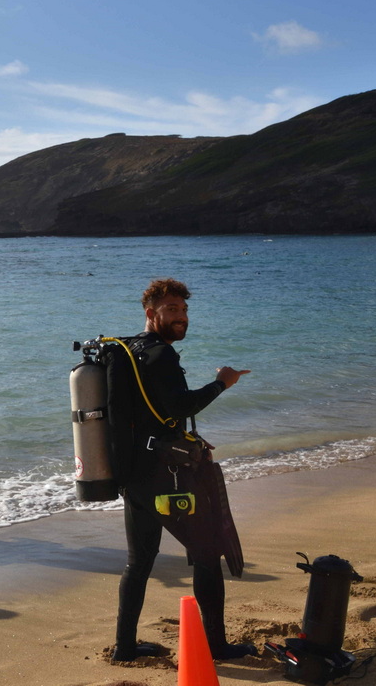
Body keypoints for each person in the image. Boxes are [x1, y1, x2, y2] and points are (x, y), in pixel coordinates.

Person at [111, 278, 255, 662]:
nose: (181, 317)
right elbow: (181, 407)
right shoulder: (161, 355)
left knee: (139, 562)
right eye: (172, 310)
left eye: (184, 310)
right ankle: (216, 646)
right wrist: (222, 382)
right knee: (207, 552)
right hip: (165, 477)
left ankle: (124, 648)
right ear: (150, 313)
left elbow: (143, 414)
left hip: (133, 473)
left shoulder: (126, 350)